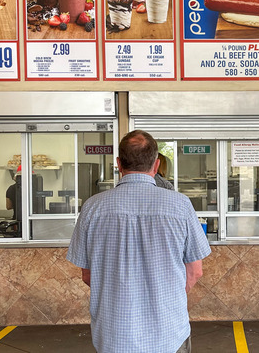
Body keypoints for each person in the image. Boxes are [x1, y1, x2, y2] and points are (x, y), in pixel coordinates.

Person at [67, 130, 211, 353]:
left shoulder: (92, 207)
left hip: (113, 335)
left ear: (118, 164)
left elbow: (88, 275)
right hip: (169, 334)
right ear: (156, 164)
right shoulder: (180, 205)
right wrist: (165, 296)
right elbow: (195, 271)